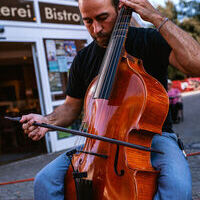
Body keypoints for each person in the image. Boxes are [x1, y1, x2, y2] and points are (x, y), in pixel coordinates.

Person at [20, 0, 200, 199]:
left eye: (102, 18)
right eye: (87, 21)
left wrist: (156, 18)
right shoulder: (82, 59)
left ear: (120, 8)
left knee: (178, 188)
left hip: (152, 138)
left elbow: (196, 64)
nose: (96, 29)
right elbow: (71, 107)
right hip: (99, 140)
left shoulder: (149, 40)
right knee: (44, 181)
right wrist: (47, 121)